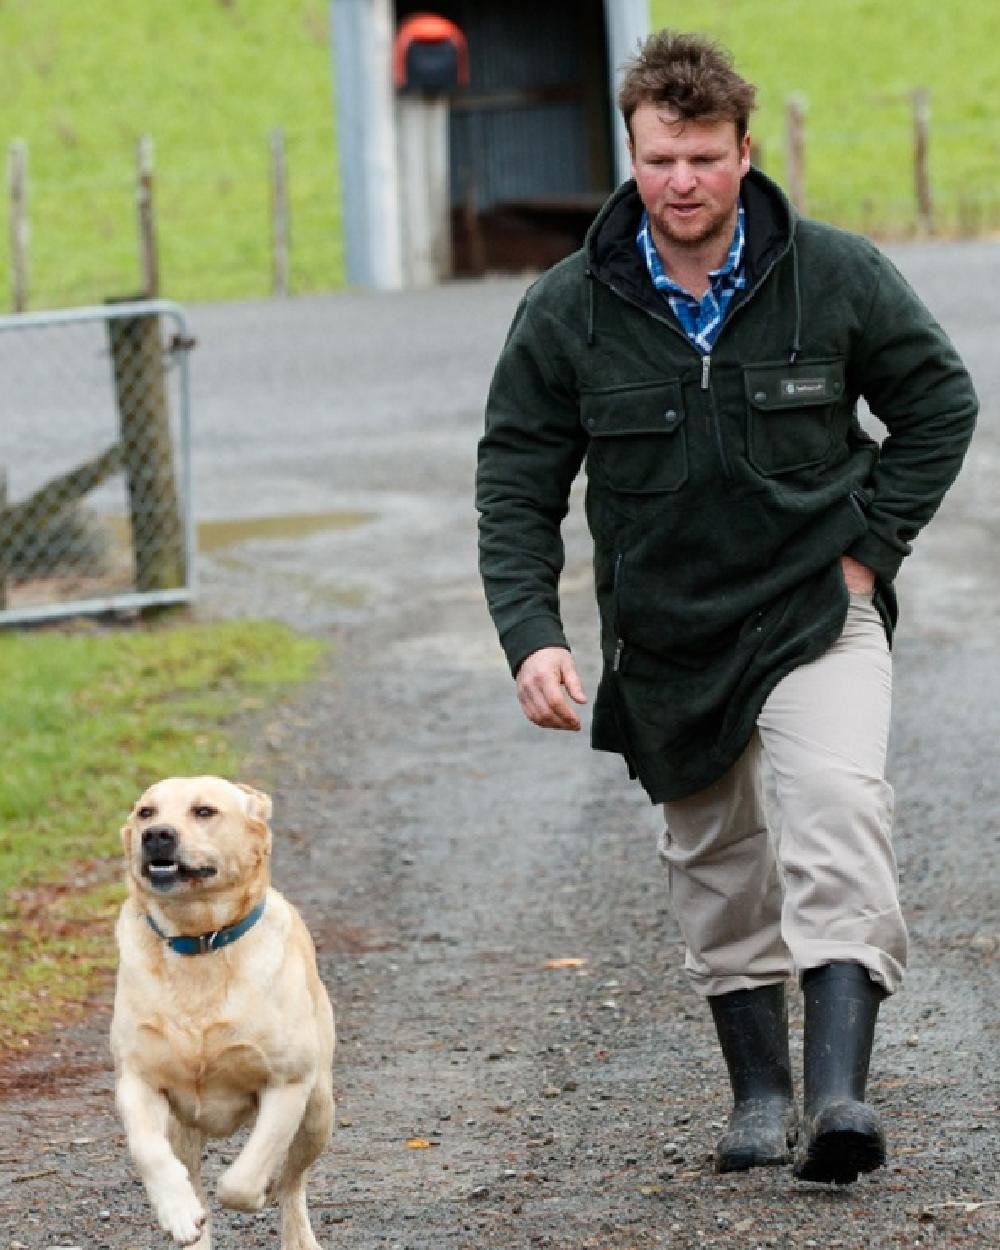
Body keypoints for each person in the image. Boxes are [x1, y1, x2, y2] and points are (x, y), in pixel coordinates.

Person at [476, 30, 977, 1185]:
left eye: (703, 156)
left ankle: (840, 1093)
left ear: (744, 151)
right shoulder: (569, 309)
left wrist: (869, 552)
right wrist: (532, 633)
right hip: (669, 632)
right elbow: (515, 478)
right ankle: (759, 1094)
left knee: (835, 804)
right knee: (713, 857)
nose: (682, 181)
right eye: (659, 160)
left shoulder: (833, 273)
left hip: (814, 608)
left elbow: (938, 400)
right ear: (632, 155)